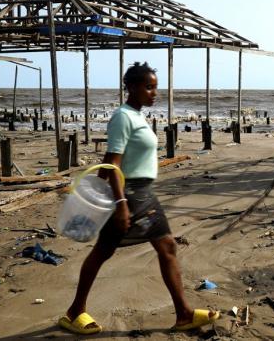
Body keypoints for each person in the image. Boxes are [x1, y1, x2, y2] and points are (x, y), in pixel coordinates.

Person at [58, 62, 219, 335]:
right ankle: (75, 312)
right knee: (105, 252)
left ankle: (183, 313)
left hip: (141, 193)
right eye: (149, 87)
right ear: (131, 87)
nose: (154, 93)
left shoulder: (135, 115)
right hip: (130, 195)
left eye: (155, 87)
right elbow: (112, 163)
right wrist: (119, 204)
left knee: (164, 247)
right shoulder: (123, 116)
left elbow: (111, 160)